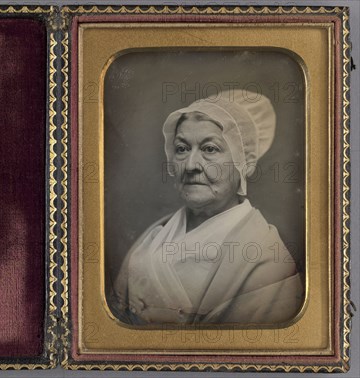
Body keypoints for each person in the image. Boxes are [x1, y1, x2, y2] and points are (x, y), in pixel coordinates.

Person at [110, 90, 304, 325]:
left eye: (209, 149)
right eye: (182, 149)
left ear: (247, 163)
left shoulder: (267, 260)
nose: (191, 165)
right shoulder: (155, 234)